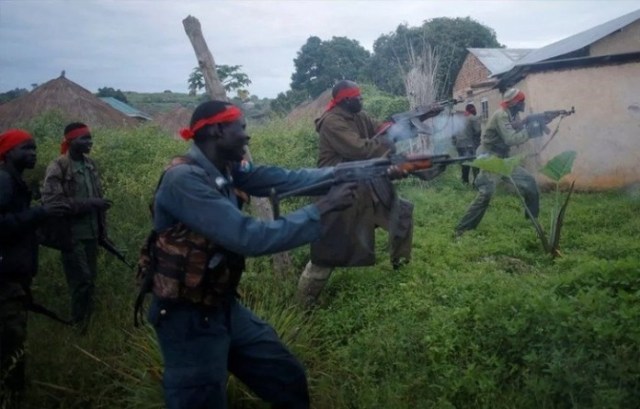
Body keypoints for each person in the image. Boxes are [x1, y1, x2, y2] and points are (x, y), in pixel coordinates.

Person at [143, 100, 356, 409]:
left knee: (284, 375)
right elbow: (249, 237)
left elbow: (285, 178)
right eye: (241, 128)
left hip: (222, 305)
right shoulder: (184, 181)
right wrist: (323, 209)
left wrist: (348, 173)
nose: (247, 136)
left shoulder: (225, 169)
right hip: (186, 318)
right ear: (218, 131)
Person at [296, 80, 442, 308]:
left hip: (365, 186)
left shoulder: (358, 116)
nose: (362, 100)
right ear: (346, 100)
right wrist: (391, 142)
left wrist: (416, 119)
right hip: (339, 192)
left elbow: (382, 129)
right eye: (358, 97)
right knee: (327, 253)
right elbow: (362, 150)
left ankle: (400, 269)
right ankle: (302, 303)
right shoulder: (332, 122)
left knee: (401, 213)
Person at [0, 129, 69, 405]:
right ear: (8, 153)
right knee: (10, 342)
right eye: (26, 149)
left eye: (35, 149)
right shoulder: (4, 180)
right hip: (5, 280)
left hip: (12, 276)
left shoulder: (13, 181)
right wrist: (40, 213)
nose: (33, 154)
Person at [41, 123, 112, 331]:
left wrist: (102, 233)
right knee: (81, 282)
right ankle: (79, 326)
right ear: (71, 141)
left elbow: (96, 199)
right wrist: (89, 204)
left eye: (90, 138)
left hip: (91, 234)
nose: (90, 142)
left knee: (90, 281)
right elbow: (52, 204)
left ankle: (87, 324)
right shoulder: (59, 166)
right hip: (71, 236)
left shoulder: (90, 164)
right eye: (85, 138)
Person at [454, 88, 540, 237]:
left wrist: (534, 121)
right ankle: (462, 229)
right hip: (490, 158)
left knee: (530, 183)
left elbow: (515, 127)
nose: (523, 104)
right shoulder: (501, 115)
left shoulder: (510, 114)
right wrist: (530, 132)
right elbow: (510, 139)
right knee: (486, 194)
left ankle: (531, 222)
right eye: (521, 101)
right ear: (514, 103)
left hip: (503, 159)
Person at [452, 102, 481, 185]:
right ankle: (476, 184)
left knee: (464, 165)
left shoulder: (460, 119)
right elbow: (478, 131)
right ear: (473, 110)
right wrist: (477, 144)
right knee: (475, 165)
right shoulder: (473, 118)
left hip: (460, 146)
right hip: (470, 145)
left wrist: (455, 143)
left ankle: (465, 182)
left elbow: (453, 134)